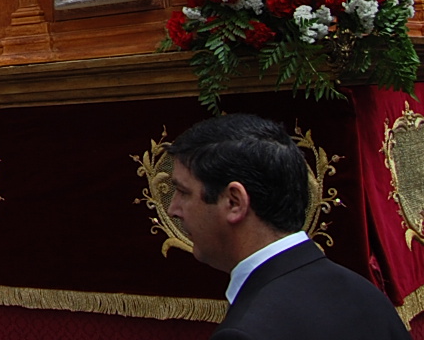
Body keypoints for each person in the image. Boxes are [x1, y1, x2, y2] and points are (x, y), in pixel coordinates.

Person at [167, 114, 409, 339]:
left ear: (234, 202)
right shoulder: (366, 295)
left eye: (183, 192)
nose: (173, 208)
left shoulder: (246, 332)